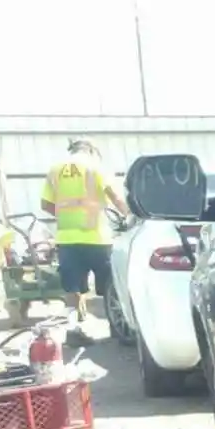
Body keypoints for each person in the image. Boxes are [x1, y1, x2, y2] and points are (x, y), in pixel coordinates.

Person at [39, 138, 128, 343]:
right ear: (90, 151)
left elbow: (45, 204)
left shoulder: (55, 169)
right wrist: (130, 218)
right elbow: (116, 197)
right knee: (110, 285)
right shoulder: (96, 166)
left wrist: (64, 216)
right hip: (97, 237)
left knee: (73, 287)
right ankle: (117, 328)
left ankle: (73, 330)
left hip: (67, 239)